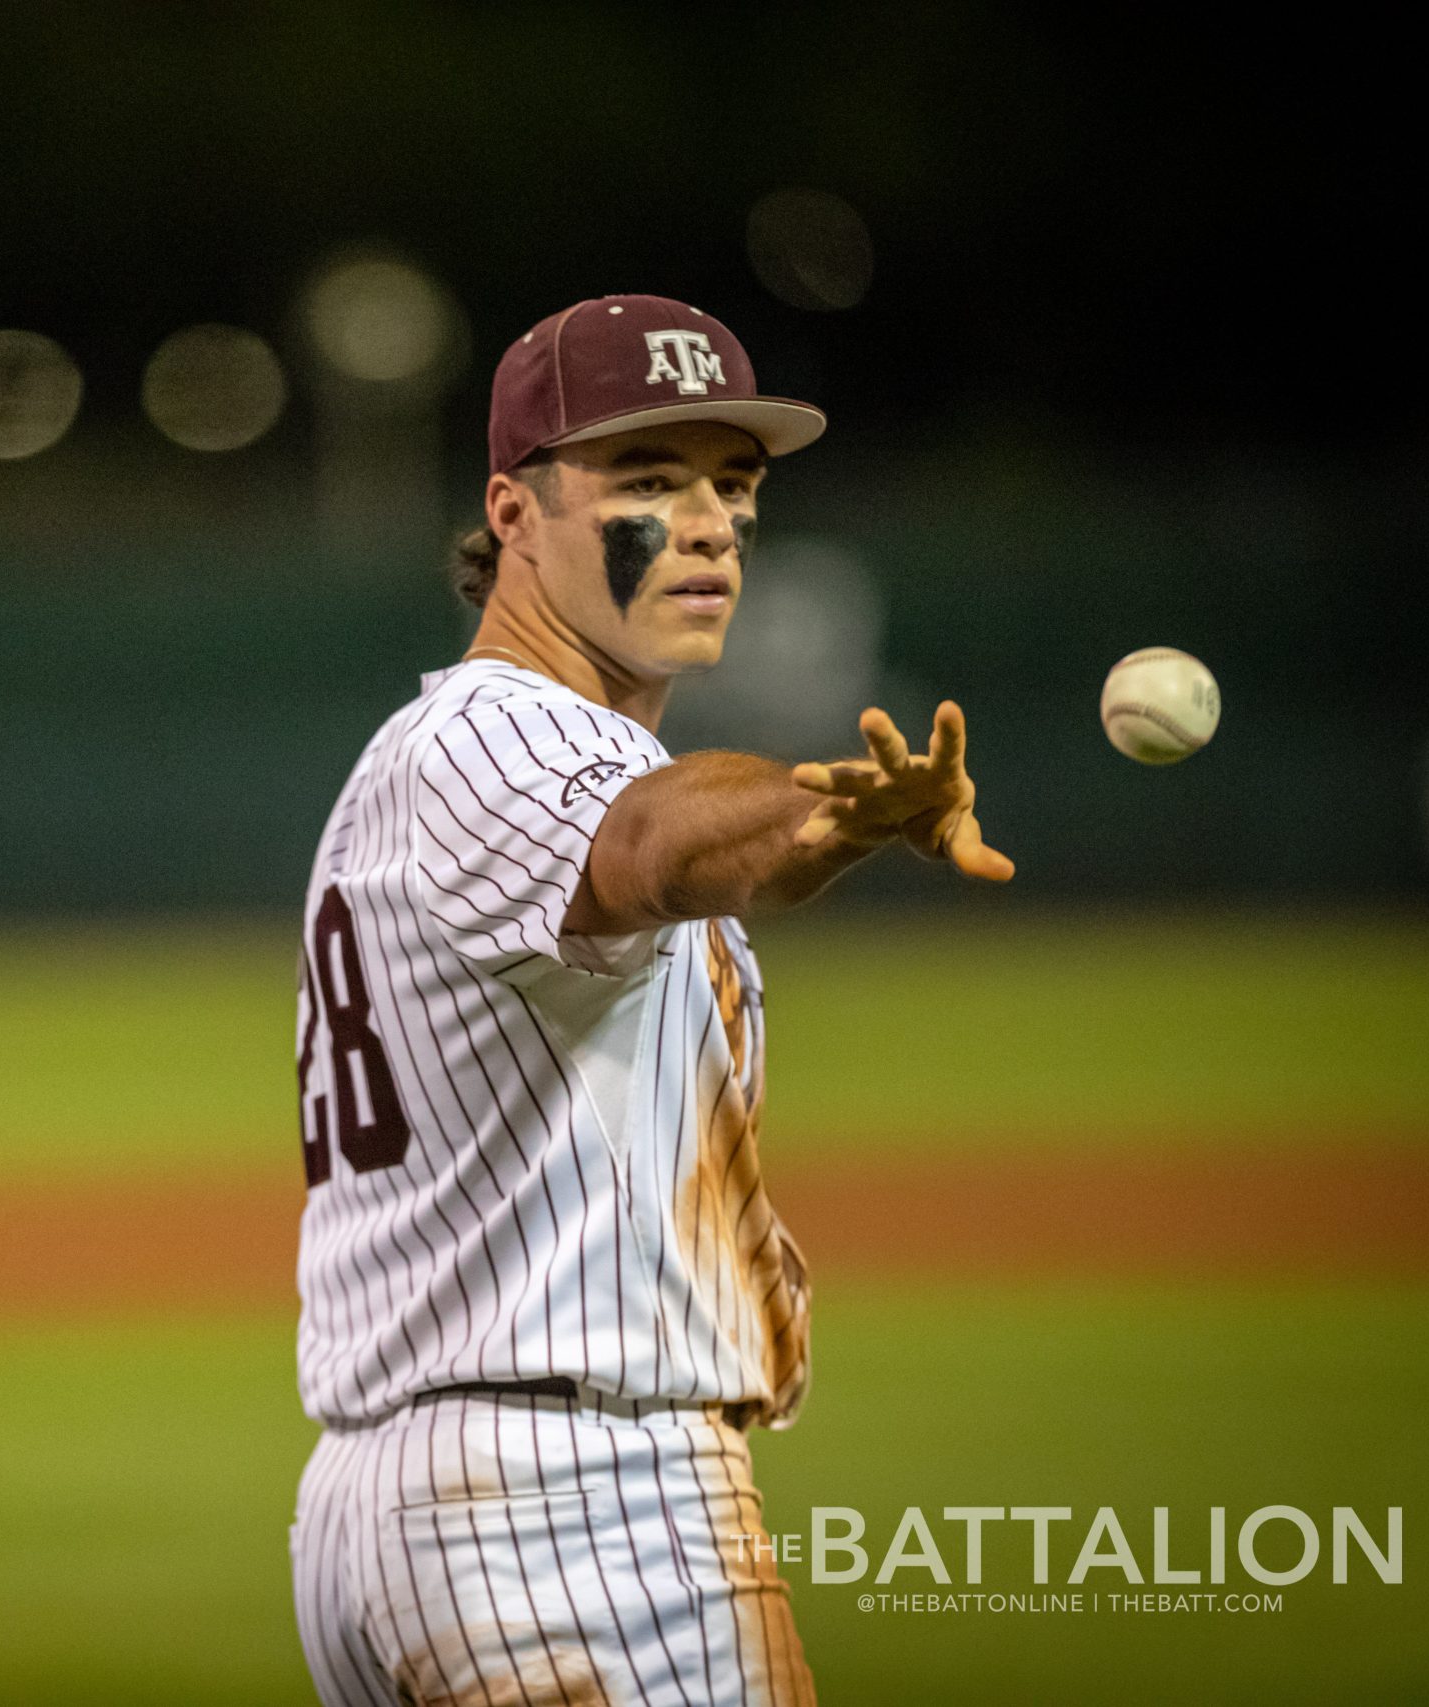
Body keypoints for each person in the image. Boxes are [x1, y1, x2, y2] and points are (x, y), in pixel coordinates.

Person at [288, 294, 1011, 1707]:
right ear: (515, 509)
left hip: (417, 1506)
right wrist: (823, 814)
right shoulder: (497, 736)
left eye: (732, 486)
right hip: (571, 1506)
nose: (711, 523)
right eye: (647, 480)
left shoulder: (445, 752)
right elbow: (653, 844)